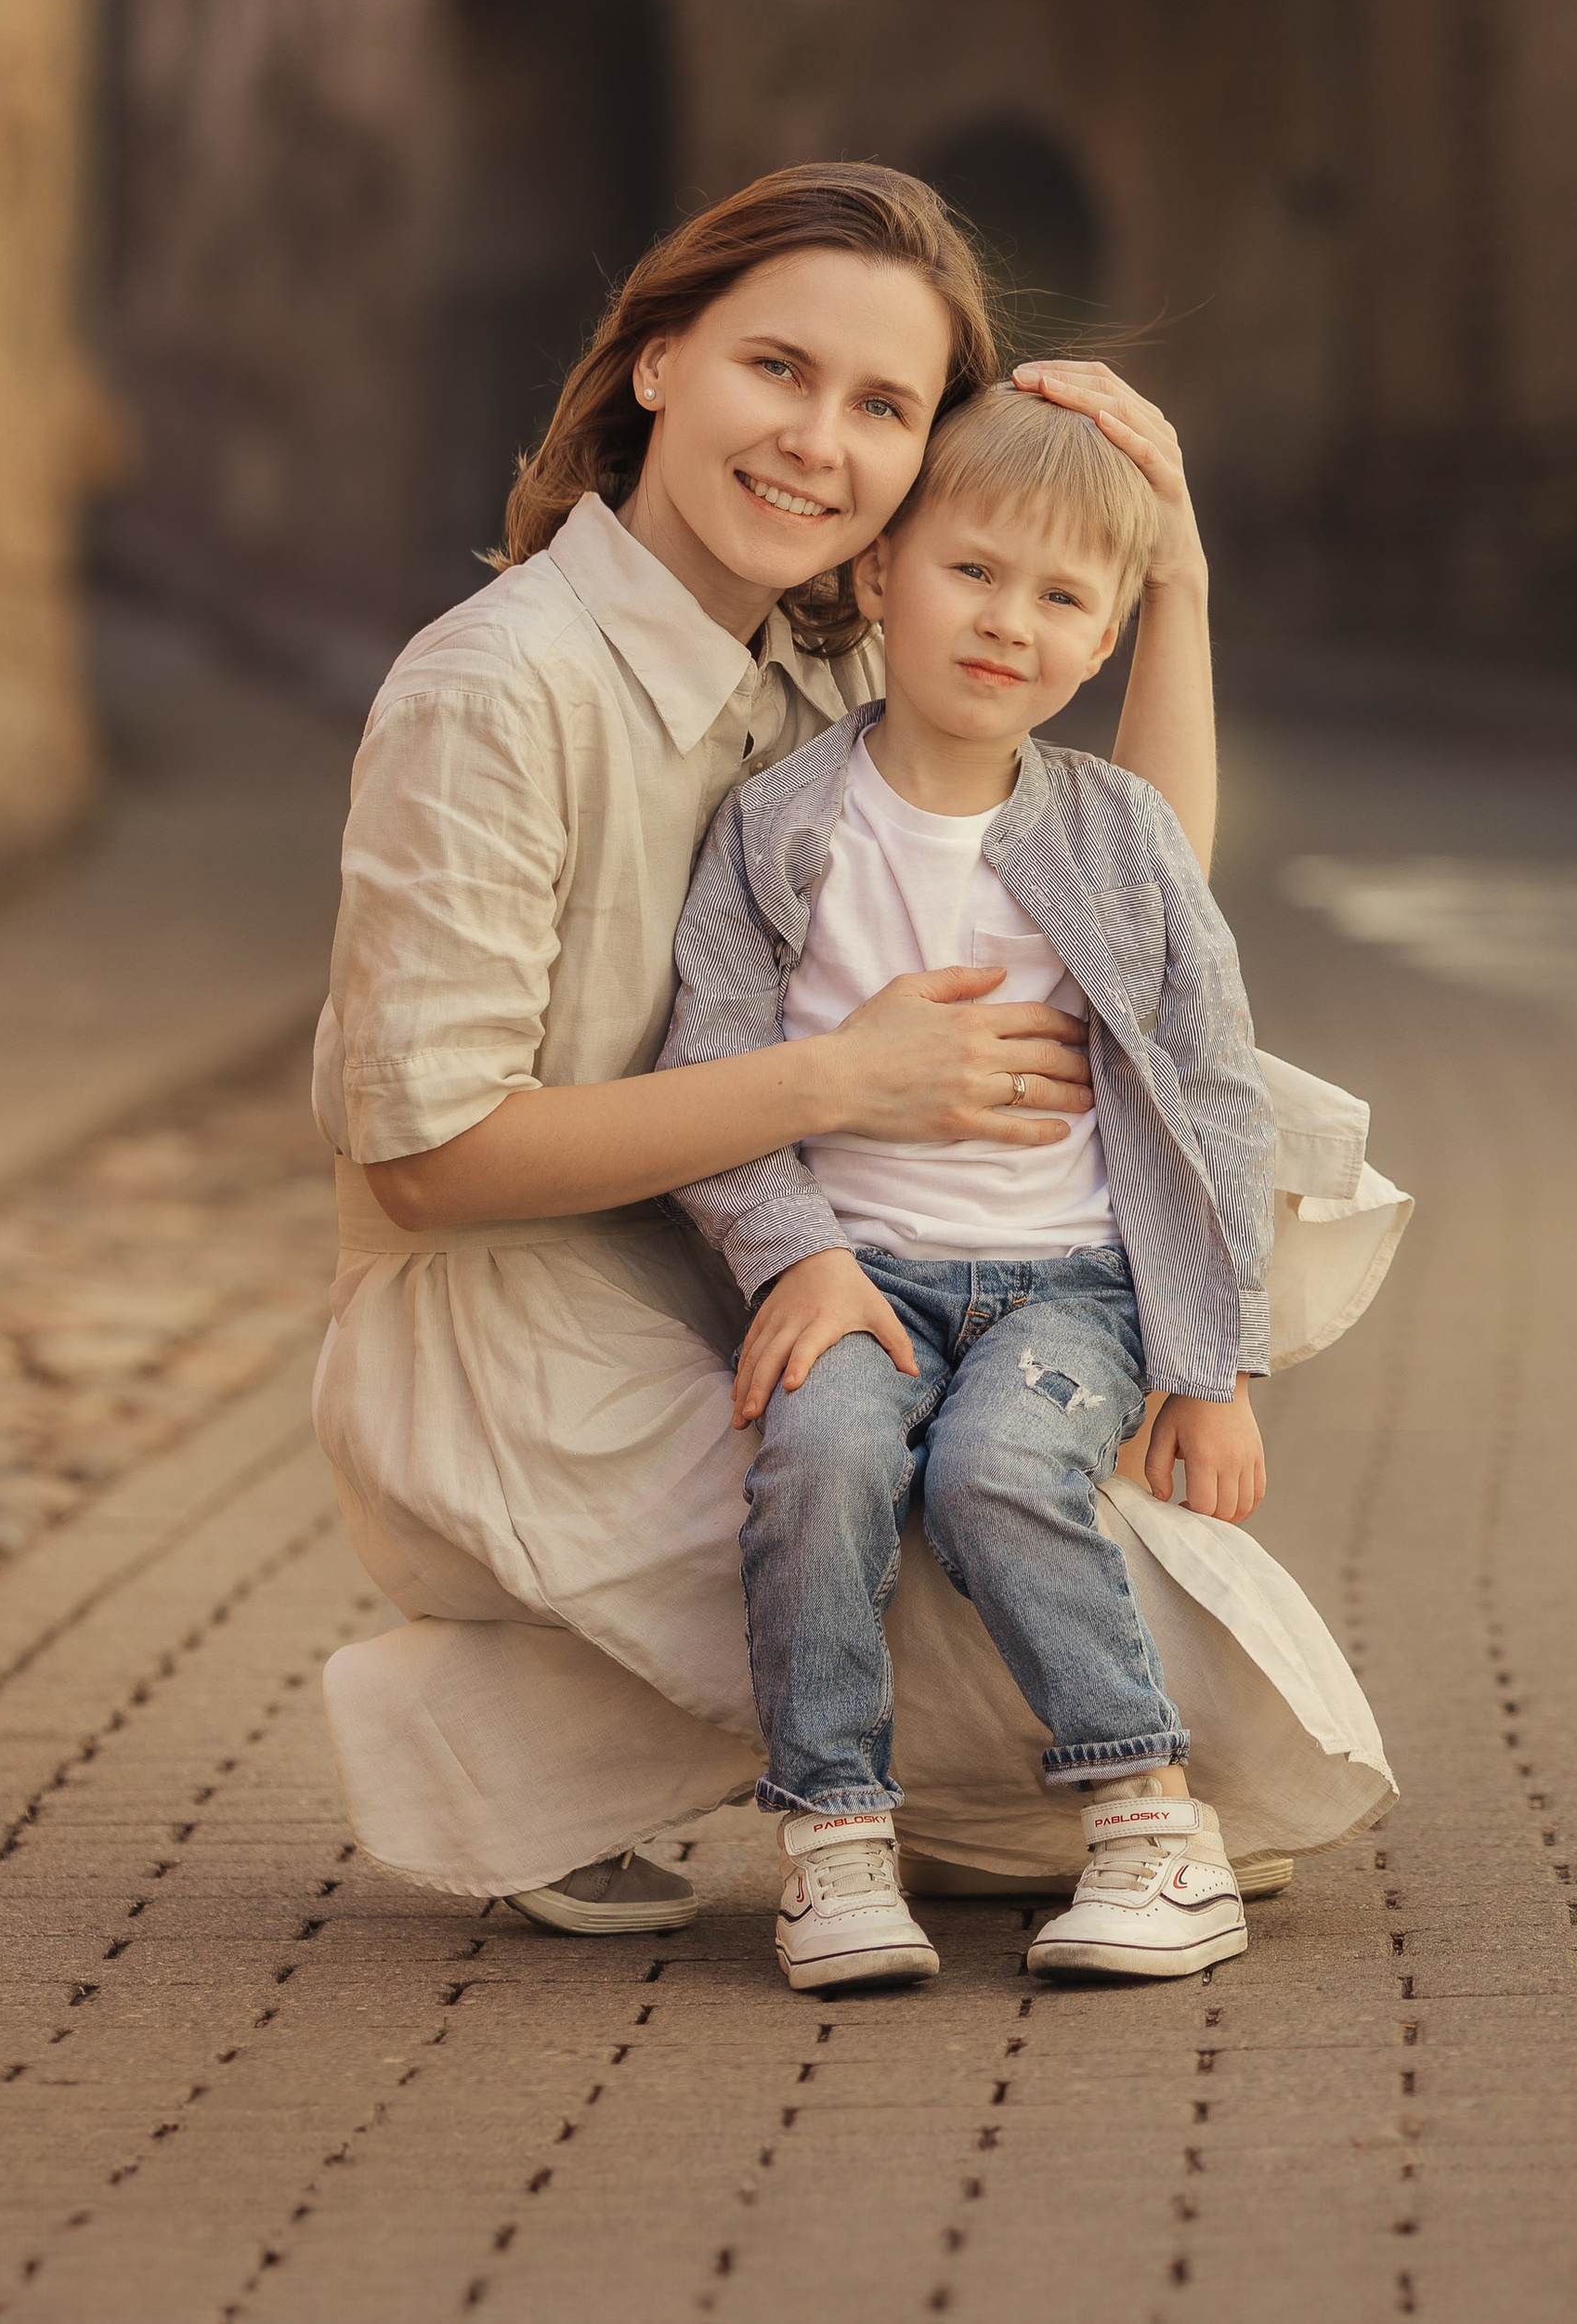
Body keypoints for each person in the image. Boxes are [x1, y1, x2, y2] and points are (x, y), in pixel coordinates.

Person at [314, 161, 1393, 1934]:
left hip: (770, 1273)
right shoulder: (493, 690)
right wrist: (840, 1088)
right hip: (513, 1324)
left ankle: (809, 1746)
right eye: (775, 369)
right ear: (656, 359)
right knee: (1140, 1689)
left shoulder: (819, 661)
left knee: (1175, 1655)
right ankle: (493, 1725)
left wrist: (1175, 575)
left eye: (881, 405)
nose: (818, 438)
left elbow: (1132, 894)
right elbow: (422, 1166)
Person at [662, 384, 1292, 1989]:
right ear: (881, 575)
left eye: (1064, 598)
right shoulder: (780, 826)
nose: (1010, 623)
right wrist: (792, 1249)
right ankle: (832, 1842)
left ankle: (1153, 1824)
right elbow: (713, 1058)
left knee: (1001, 1470)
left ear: (1103, 644)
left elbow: (1210, 1089)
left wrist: (1214, 1369)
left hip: (1067, 1285)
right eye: (973, 572)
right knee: (819, 1457)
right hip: (855, 1273)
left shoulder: (1116, 833)